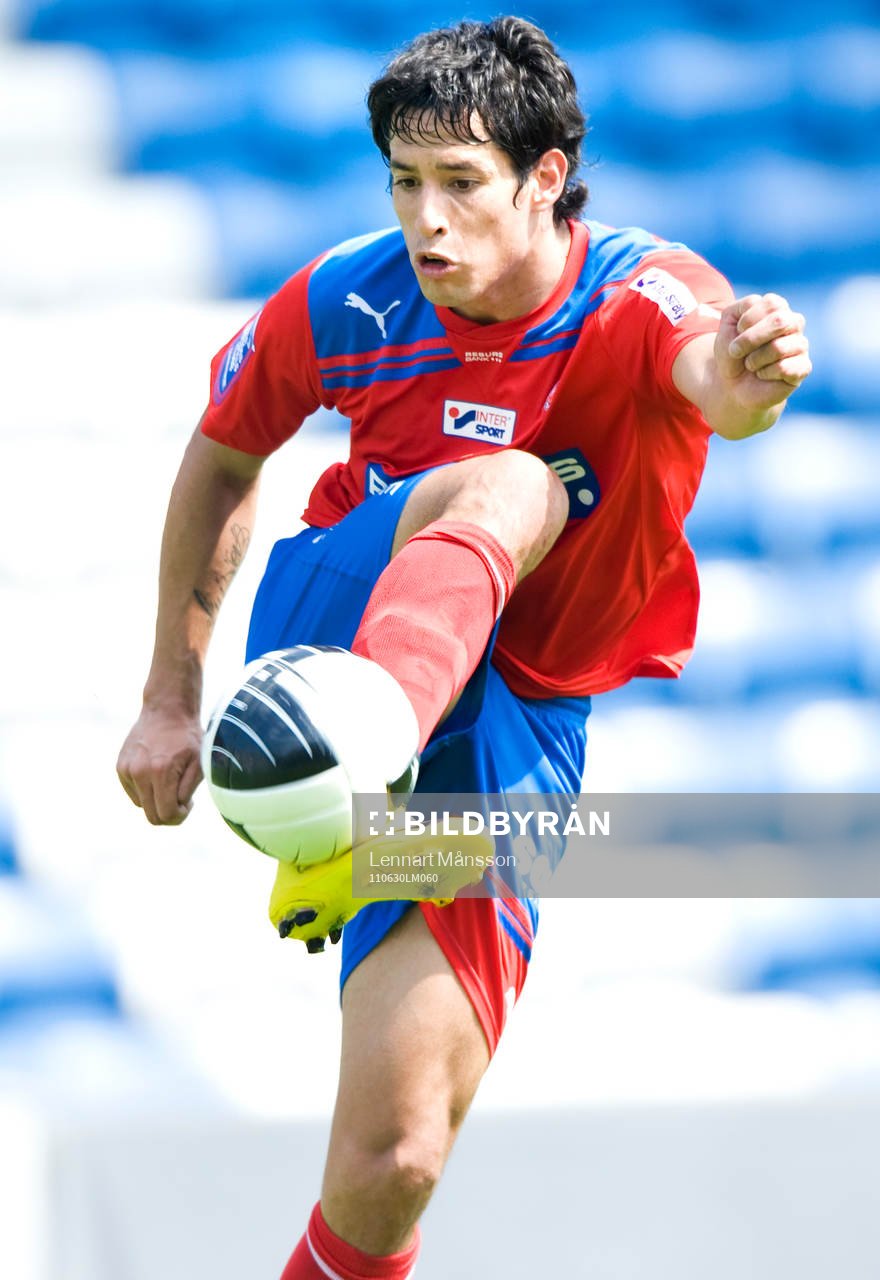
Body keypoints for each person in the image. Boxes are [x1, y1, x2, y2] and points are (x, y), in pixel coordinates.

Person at [116, 15, 811, 1277]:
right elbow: (222, 456)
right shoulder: (346, 295)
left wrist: (751, 377)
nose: (425, 221)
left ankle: (360, 830)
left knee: (394, 1163)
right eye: (403, 181)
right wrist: (171, 695)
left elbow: (716, 376)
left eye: (459, 182)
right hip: (339, 632)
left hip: (517, 709)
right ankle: (353, 772)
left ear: (547, 177)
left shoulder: (638, 290)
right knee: (512, 483)